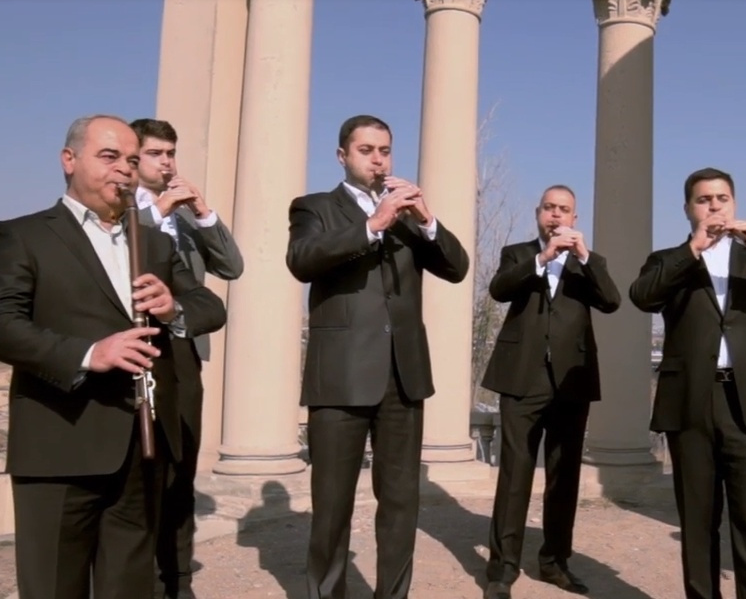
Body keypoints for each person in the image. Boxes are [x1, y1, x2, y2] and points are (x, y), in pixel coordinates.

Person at [0, 114, 227, 599]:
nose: (124, 170)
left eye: (131, 160)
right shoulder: (23, 234)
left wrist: (173, 308)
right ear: (68, 160)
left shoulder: (153, 242)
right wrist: (90, 353)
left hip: (142, 450)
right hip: (60, 446)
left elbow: (209, 307)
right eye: (109, 157)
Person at [286, 114, 470, 599]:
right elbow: (301, 259)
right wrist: (371, 226)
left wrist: (426, 219)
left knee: (401, 504)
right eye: (366, 150)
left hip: (403, 376)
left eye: (384, 150)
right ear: (342, 155)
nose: (378, 160)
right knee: (332, 505)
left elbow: (457, 268)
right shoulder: (314, 206)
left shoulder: (409, 218)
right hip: (340, 377)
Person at [629, 167, 746, 599]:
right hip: (690, 404)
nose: (714, 206)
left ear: (734, 204)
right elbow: (643, 296)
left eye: (722, 198)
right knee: (698, 522)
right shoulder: (668, 260)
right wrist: (692, 250)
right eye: (704, 200)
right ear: (687, 209)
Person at [479, 185, 621, 599]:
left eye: (564, 209)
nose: (556, 215)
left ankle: (555, 562)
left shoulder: (590, 263)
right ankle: (502, 568)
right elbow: (499, 289)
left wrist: (584, 257)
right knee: (515, 474)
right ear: (538, 213)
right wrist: (542, 259)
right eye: (549, 208)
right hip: (521, 377)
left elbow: (611, 301)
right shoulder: (518, 254)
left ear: (575, 218)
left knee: (564, 476)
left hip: (571, 382)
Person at [128, 118, 244, 599]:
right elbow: (120, 253)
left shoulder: (183, 220)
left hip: (183, 348)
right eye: (156, 153)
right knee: (140, 473)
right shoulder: (123, 209)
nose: (167, 162)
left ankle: (177, 580)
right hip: (133, 351)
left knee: (181, 468)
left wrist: (201, 212)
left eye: (171, 153)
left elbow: (231, 267)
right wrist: (156, 212)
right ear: (134, 159)